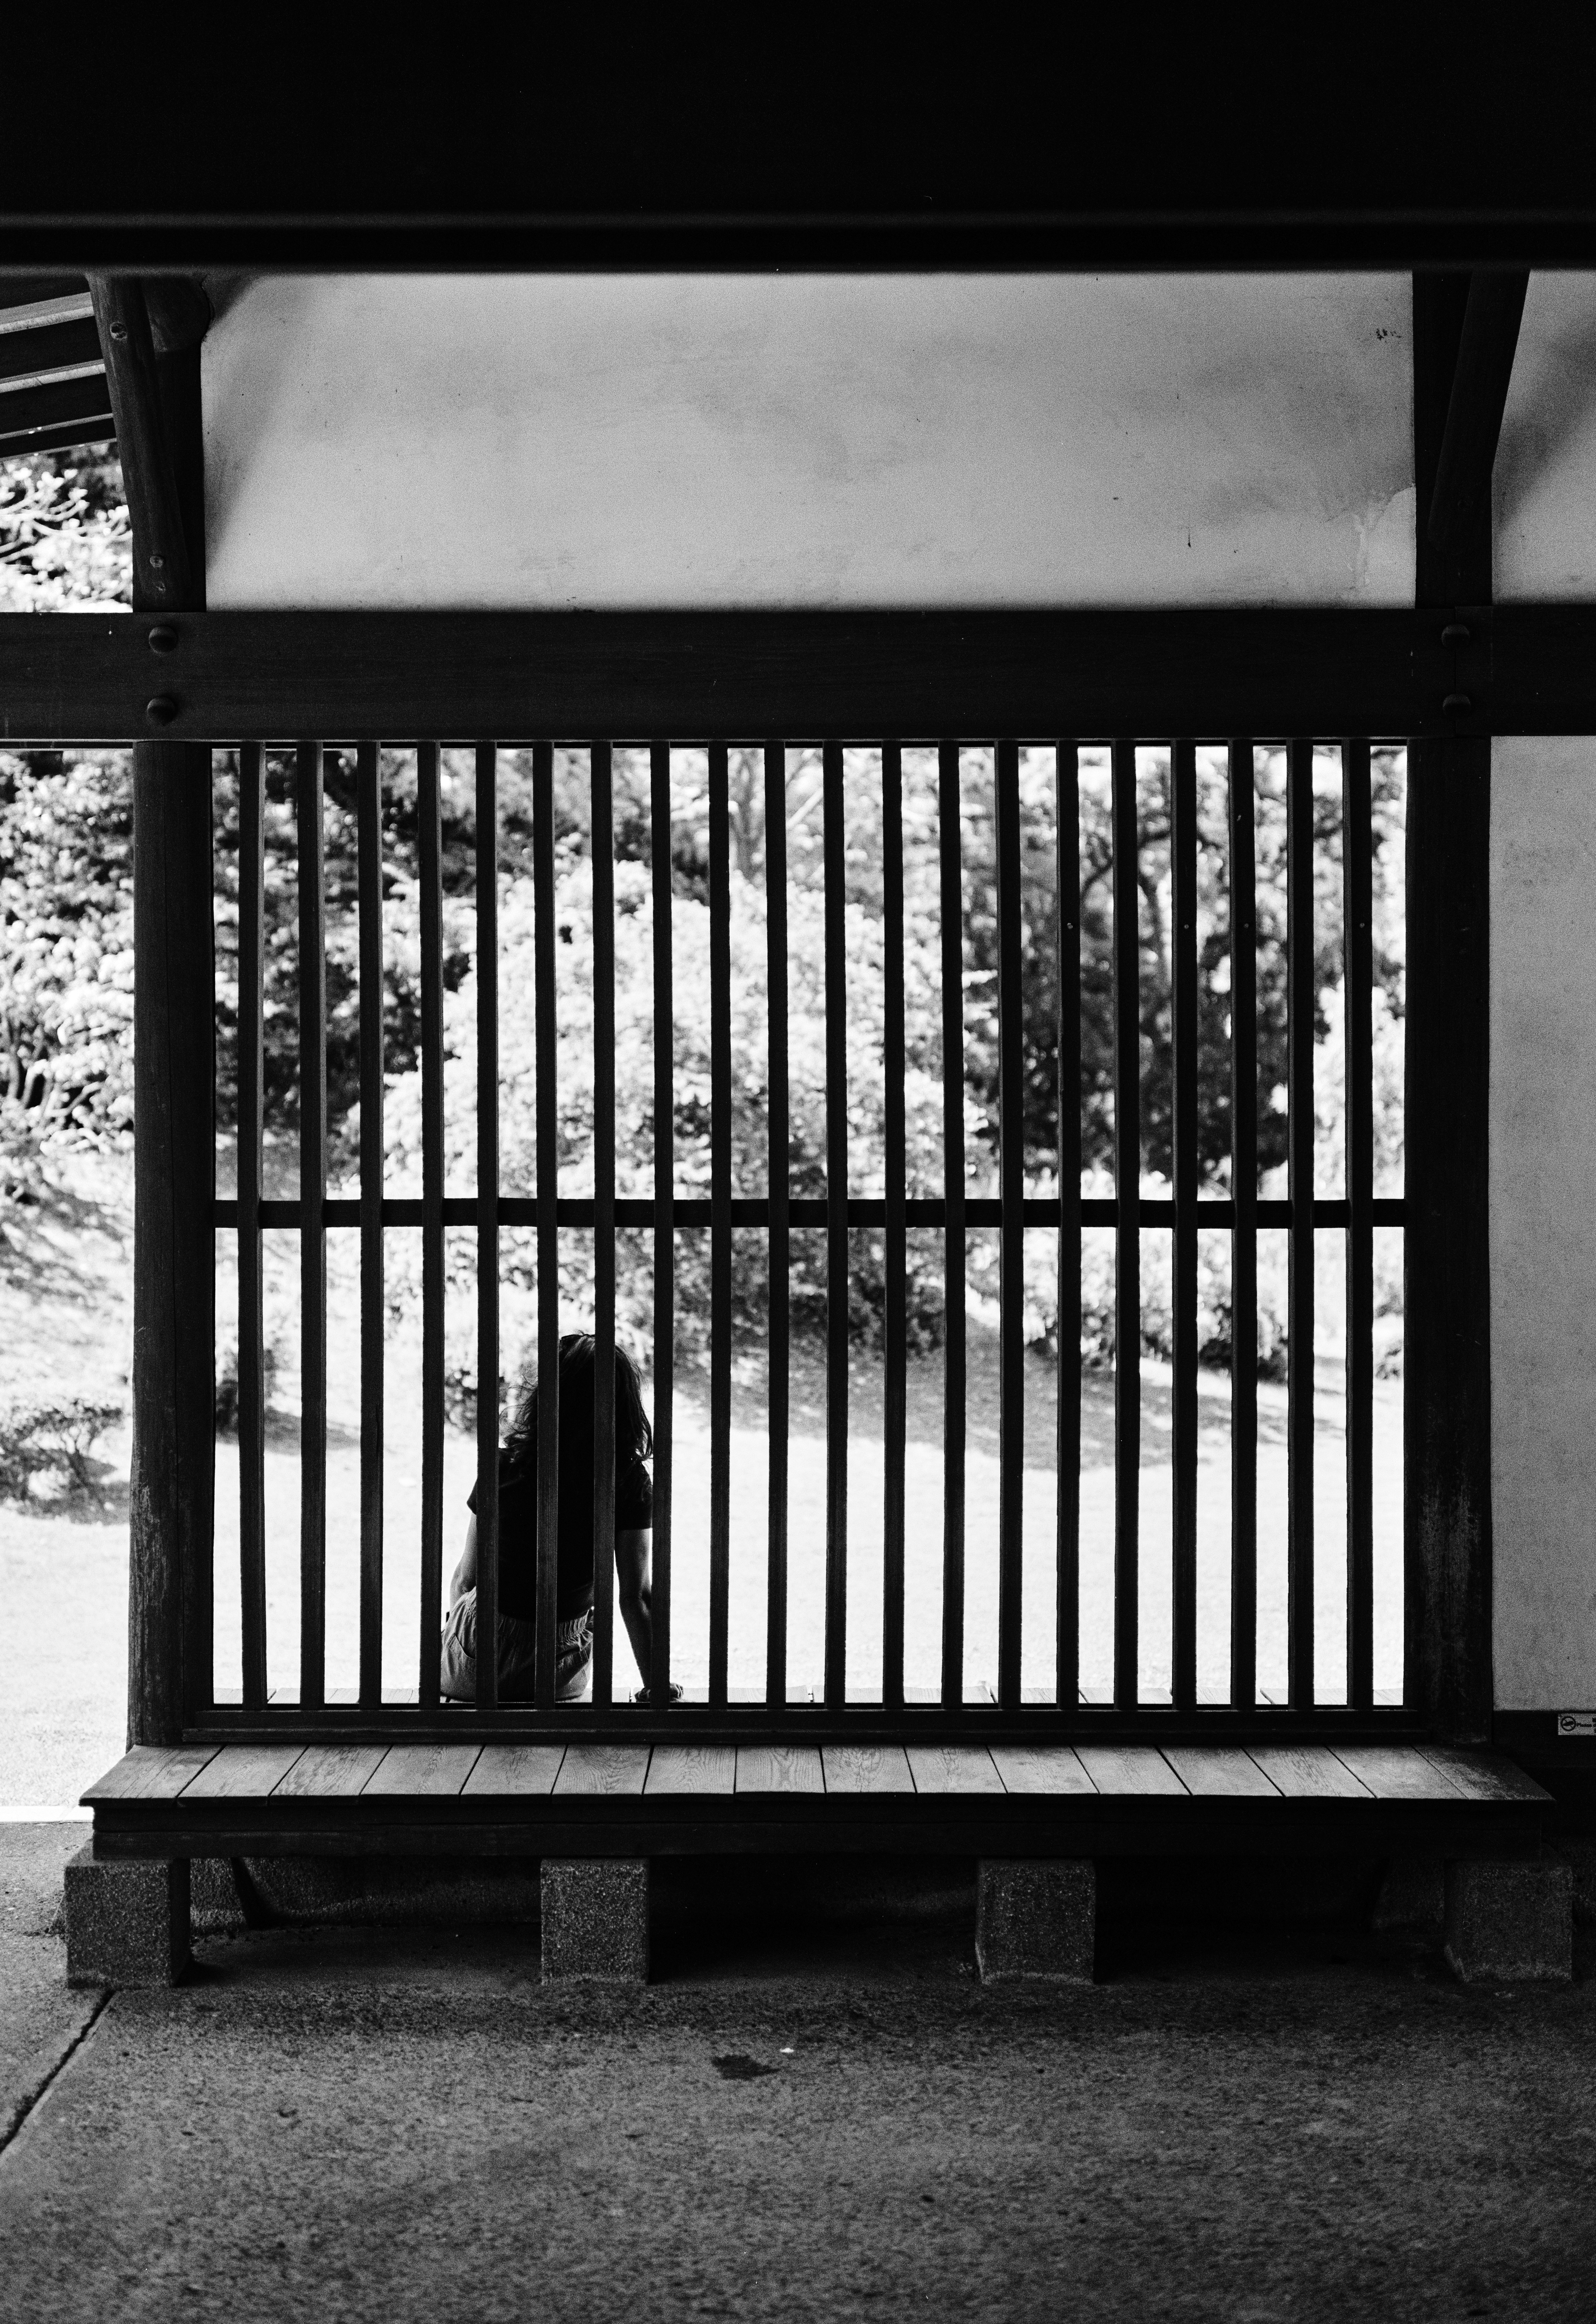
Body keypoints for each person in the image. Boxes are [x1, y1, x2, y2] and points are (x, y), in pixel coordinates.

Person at [439, 1333, 677, 1704]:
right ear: (623, 1403)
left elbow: (465, 1579)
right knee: (590, 1614)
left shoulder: (504, 1466)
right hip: (555, 1677)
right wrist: (657, 1687)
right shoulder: (628, 1481)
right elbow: (636, 1597)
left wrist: (458, 1644)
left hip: (473, 1672)